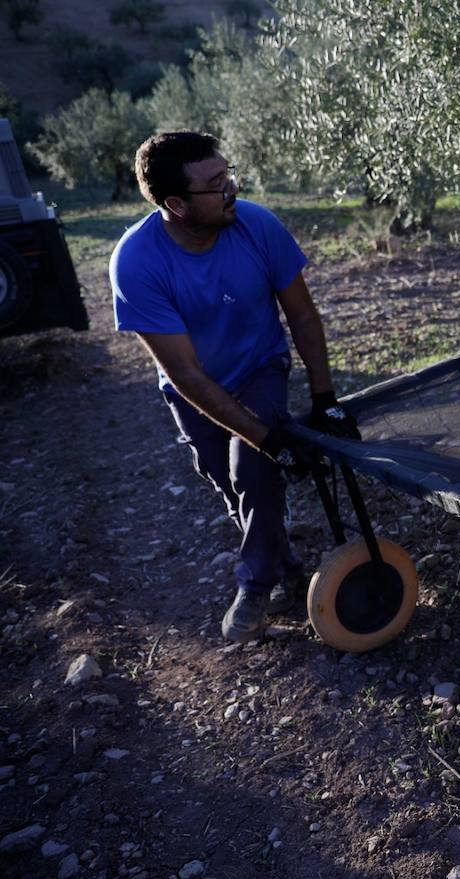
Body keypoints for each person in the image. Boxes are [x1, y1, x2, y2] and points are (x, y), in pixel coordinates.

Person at [110, 131, 360, 643]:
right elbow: (185, 374)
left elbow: (303, 316)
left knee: (250, 469)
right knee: (232, 484)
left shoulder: (256, 224)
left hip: (259, 367)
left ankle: (256, 583)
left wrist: (324, 399)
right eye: (216, 184)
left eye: (229, 176)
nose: (231, 190)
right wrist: (271, 440)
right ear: (176, 204)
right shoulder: (136, 262)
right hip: (194, 390)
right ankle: (288, 567)